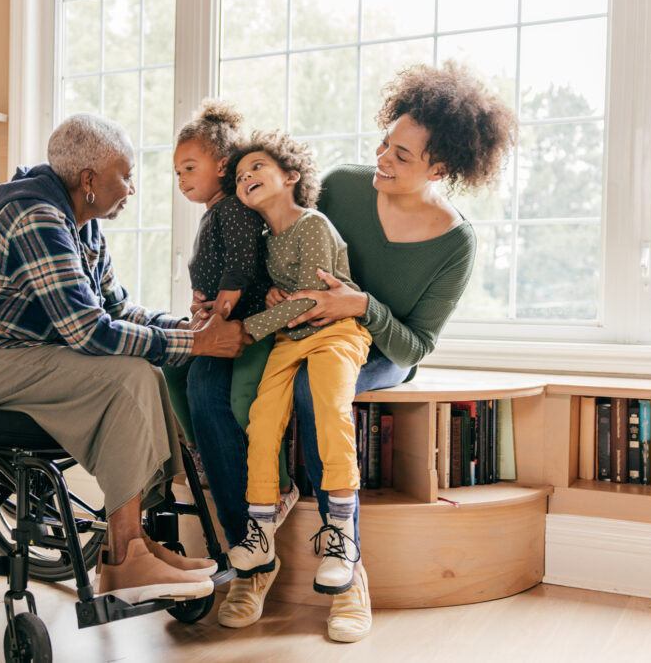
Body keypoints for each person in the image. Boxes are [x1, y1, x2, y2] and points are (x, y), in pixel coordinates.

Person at [188, 62, 517, 641]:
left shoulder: (454, 241)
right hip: (298, 328)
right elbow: (279, 240)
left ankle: (347, 571)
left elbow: (418, 344)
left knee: (314, 395)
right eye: (385, 144)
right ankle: (254, 554)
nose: (383, 161)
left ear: (440, 168)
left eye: (402, 157)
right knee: (205, 383)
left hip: (376, 346)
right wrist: (259, 291)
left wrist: (360, 304)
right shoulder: (342, 185)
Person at [0, 113, 251, 605]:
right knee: (127, 375)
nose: (131, 188)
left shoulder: (83, 228)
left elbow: (116, 309)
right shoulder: (37, 218)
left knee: (144, 370)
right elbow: (87, 332)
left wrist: (186, 328)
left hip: (11, 358)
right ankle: (125, 555)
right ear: (89, 181)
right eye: (124, 175)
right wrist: (198, 345)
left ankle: (133, 547)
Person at [224, 130, 373, 602]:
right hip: (291, 339)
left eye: (257, 168)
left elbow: (310, 299)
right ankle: (260, 528)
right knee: (262, 419)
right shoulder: (265, 241)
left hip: (335, 332)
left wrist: (248, 328)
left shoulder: (312, 224)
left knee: (330, 407)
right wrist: (270, 298)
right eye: (240, 175)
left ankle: (341, 535)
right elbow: (285, 298)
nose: (245, 177)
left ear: (291, 176)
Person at [161, 100, 290, 493]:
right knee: (170, 366)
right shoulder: (213, 211)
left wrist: (219, 308)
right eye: (177, 172)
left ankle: (271, 482)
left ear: (221, 166)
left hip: (244, 320)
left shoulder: (233, 208)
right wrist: (203, 304)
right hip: (219, 316)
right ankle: (200, 450)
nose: (181, 179)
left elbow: (241, 264)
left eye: (188, 168)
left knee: (228, 393)